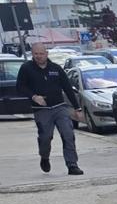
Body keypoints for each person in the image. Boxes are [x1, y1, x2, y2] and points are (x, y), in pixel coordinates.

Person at [16, 43, 84, 176]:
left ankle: (72, 165)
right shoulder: (26, 68)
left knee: (68, 134)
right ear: (32, 54)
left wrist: (77, 108)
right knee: (46, 137)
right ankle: (44, 156)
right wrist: (34, 97)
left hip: (59, 107)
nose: (38, 57)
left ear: (46, 54)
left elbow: (68, 88)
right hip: (41, 109)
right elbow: (20, 87)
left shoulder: (56, 68)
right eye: (36, 54)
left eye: (41, 54)